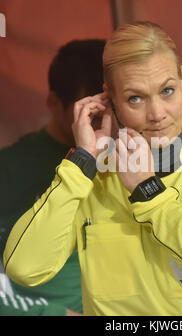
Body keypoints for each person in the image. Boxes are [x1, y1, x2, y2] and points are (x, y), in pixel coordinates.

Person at [3, 21, 182, 316]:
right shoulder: (92, 181)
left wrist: (150, 194)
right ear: (110, 101)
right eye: (135, 98)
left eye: (167, 91)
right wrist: (83, 160)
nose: (157, 114)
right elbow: (25, 267)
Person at [0, 39, 106, 315]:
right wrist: (55, 314)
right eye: (91, 113)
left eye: (111, 110)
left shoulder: (132, 159)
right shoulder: (9, 169)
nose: (102, 126)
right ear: (54, 103)